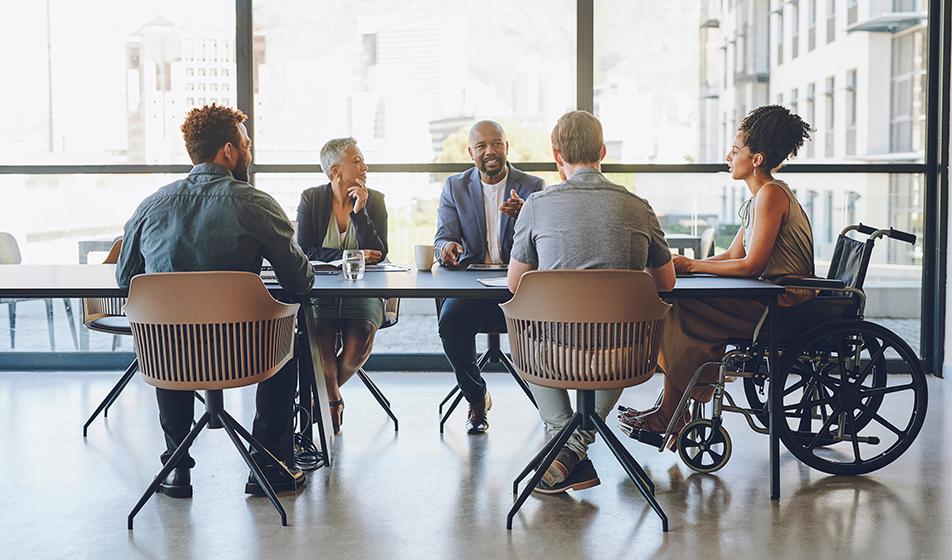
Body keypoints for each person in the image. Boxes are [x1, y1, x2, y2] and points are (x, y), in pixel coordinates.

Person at [116, 104, 314, 499]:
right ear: (228, 151)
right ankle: (269, 466)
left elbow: (126, 280)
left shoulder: (151, 205)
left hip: (169, 358)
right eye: (245, 143)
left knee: (167, 328)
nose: (249, 149)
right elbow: (300, 280)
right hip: (245, 355)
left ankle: (175, 466)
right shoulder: (255, 203)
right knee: (288, 328)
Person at [618, 104, 815, 440]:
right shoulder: (759, 198)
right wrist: (687, 266)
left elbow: (752, 265)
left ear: (756, 159)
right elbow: (732, 255)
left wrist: (693, 265)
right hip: (767, 295)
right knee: (680, 304)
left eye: (735, 151)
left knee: (681, 309)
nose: (728, 156)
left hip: (783, 302)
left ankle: (671, 413)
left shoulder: (771, 195)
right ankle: (672, 409)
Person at [507, 110, 676, 493]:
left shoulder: (536, 205)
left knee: (524, 320)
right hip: (624, 355)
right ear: (602, 150)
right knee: (623, 328)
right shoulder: (639, 206)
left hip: (551, 355)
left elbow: (516, 284)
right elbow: (666, 282)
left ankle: (562, 440)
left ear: (556, 156)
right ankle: (573, 448)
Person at [434, 120, 544, 434]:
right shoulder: (455, 186)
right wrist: (447, 248)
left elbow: (548, 240)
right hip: (472, 286)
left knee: (549, 320)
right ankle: (476, 396)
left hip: (519, 287)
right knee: (450, 322)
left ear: (507, 147)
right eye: (481, 146)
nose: (490, 151)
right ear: (471, 152)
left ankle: (551, 402)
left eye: (496, 143)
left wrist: (528, 214)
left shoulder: (533, 187)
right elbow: (442, 237)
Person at [296, 137, 388, 434]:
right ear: (336, 170)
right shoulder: (311, 199)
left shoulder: (375, 200)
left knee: (356, 347)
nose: (365, 166)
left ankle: (316, 398)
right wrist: (351, 255)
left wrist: (360, 213)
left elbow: (379, 252)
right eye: (357, 161)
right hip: (320, 292)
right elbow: (305, 250)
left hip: (363, 291)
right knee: (320, 346)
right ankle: (333, 401)